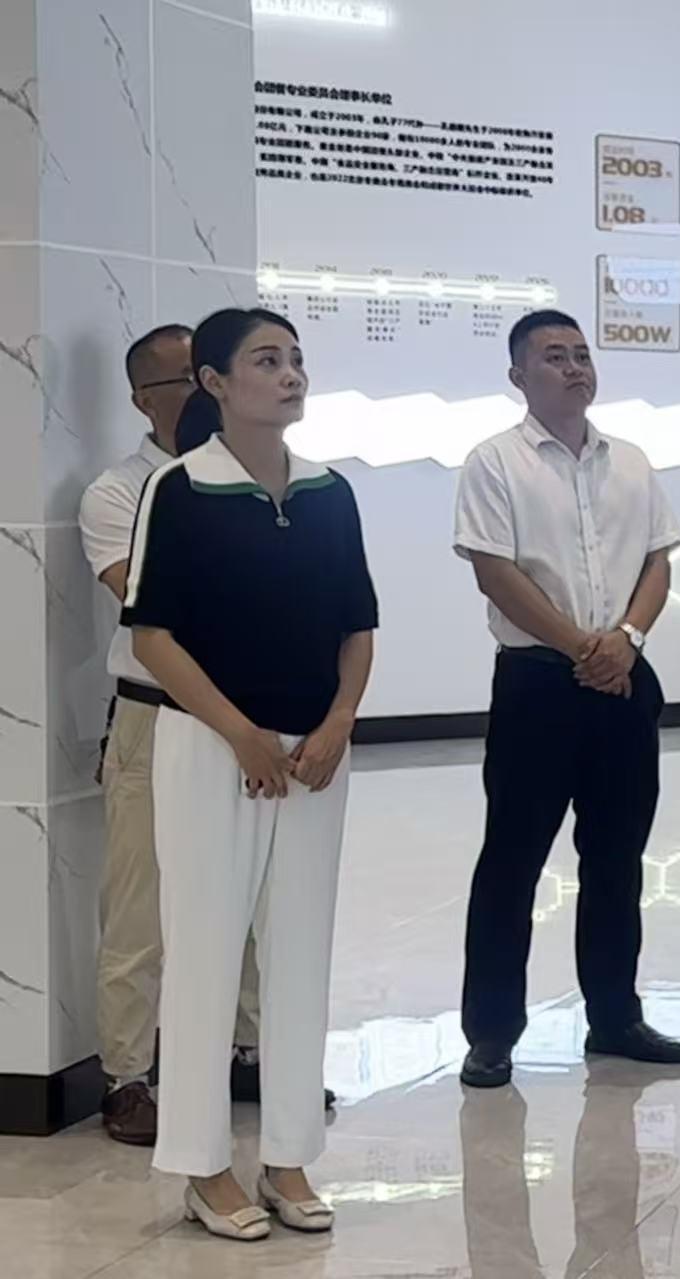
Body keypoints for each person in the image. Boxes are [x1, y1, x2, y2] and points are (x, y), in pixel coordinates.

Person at [123, 307, 378, 1240]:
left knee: (301, 953)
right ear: (216, 383)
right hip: (211, 750)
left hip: (313, 758)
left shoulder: (330, 492)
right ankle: (203, 1167)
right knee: (204, 949)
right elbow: (152, 636)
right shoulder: (181, 488)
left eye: (296, 358)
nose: (290, 374)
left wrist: (338, 722)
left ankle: (288, 1156)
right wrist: (241, 735)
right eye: (267, 360)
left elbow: (358, 624)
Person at [452, 310, 680, 1090]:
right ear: (518, 376)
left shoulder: (631, 461)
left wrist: (626, 638)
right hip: (536, 684)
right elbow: (495, 572)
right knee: (512, 861)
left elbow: (658, 561)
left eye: (582, 354)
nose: (574, 367)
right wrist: (583, 647)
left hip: (625, 678)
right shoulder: (494, 462)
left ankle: (615, 1016)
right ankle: (492, 1032)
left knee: (617, 859)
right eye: (554, 356)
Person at [80, 325, 261, 1146]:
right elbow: (148, 601)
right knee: (140, 903)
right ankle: (128, 1075)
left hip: (251, 711)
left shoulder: (256, 476)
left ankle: (247, 1051)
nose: (203, 390)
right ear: (143, 400)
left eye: (208, 373)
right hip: (155, 715)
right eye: (183, 380)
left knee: (252, 889)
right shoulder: (119, 493)